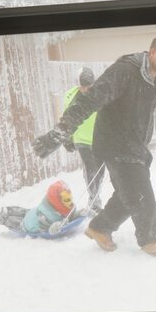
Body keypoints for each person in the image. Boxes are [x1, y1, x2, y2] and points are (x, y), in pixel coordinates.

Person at [33, 36, 156, 256]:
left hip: (136, 146)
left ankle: (100, 228)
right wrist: (60, 132)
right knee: (141, 195)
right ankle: (150, 238)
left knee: (126, 193)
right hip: (115, 144)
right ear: (151, 52)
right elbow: (88, 101)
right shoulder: (124, 72)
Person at [62, 67, 106, 214]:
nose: (87, 89)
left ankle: (95, 198)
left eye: (90, 86)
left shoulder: (101, 95)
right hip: (82, 139)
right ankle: (94, 201)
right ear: (78, 85)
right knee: (90, 170)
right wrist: (67, 137)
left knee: (99, 172)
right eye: (84, 86)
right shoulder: (70, 97)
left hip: (99, 138)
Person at [0, 180, 77, 234]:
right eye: (67, 200)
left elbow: (70, 215)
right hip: (27, 226)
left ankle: (8, 210)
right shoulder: (48, 218)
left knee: (25, 212)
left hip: (34, 213)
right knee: (10, 222)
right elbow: (46, 230)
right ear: (57, 200)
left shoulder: (49, 203)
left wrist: (80, 213)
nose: (71, 202)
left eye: (70, 198)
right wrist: (53, 228)